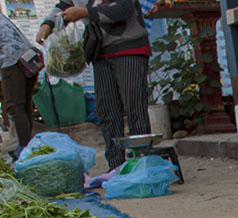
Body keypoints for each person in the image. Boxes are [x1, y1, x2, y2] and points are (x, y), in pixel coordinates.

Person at [37, 0, 151, 170]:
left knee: (134, 107)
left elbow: (124, 9)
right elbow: (63, 6)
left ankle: (143, 165)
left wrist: (85, 12)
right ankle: (116, 167)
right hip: (100, 52)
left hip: (129, 48)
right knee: (107, 111)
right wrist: (47, 24)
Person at [0, 13, 43, 157]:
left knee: (15, 106)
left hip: (12, 61)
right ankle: (26, 146)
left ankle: (24, 148)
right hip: (27, 58)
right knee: (24, 104)